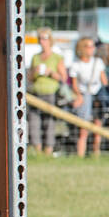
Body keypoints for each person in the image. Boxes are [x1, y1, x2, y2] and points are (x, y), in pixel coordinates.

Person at [26, 27, 66, 155]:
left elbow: (64, 78)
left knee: (49, 123)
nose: (42, 41)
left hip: (51, 94)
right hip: (35, 94)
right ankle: (37, 152)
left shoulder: (57, 57)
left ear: (50, 40)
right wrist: (34, 71)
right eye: (40, 38)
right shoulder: (35, 57)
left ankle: (48, 151)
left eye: (45, 38)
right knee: (33, 123)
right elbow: (29, 79)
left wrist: (51, 73)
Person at [68, 36, 108, 158]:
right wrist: (79, 96)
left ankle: (96, 154)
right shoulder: (76, 65)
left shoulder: (98, 62)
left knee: (98, 127)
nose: (92, 49)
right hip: (84, 97)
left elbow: (104, 81)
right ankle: (80, 155)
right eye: (89, 46)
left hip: (97, 97)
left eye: (93, 46)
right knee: (83, 129)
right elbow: (74, 85)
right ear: (82, 48)